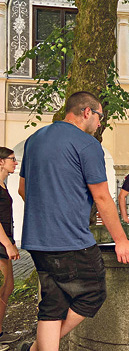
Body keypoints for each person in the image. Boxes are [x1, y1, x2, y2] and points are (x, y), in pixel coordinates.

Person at [18, 91, 129, 351]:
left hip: (37, 240)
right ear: (87, 112)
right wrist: (121, 240)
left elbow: (23, 190)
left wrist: (49, 211)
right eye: (99, 117)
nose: (99, 124)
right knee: (93, 293)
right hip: (70, 240)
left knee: (52, 304)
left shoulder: (34, 140)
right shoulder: (87, 145)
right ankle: (36, 348)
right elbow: (102, 198)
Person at [0, 147, 21, 349]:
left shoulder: (3, 185)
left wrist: (12, 242)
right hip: (0, 244)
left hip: (5, 242)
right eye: (12, 159)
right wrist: (7, 244)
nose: (15, 163)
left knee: (8, 288)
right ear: (0, 162)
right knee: (1, 289)